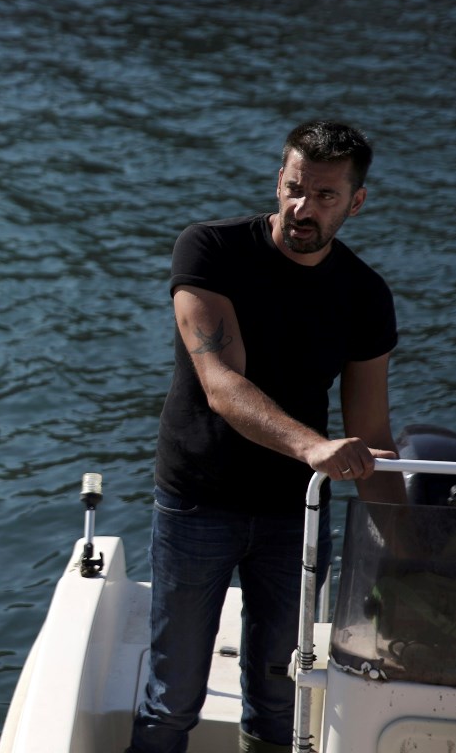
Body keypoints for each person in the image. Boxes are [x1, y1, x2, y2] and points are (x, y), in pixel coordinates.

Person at [127, 121, 407, 753]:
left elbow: (370, 433)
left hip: (294, 514)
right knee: (172, 699)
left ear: (356, 202)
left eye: (325, 196)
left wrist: (414, 555)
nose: (302, 208)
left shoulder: (364, 294)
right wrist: (313, 448)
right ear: (278, 181)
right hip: (198, 500)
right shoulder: (210, 251)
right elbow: (221, 384)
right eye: (293, 188)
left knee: (281, 701)